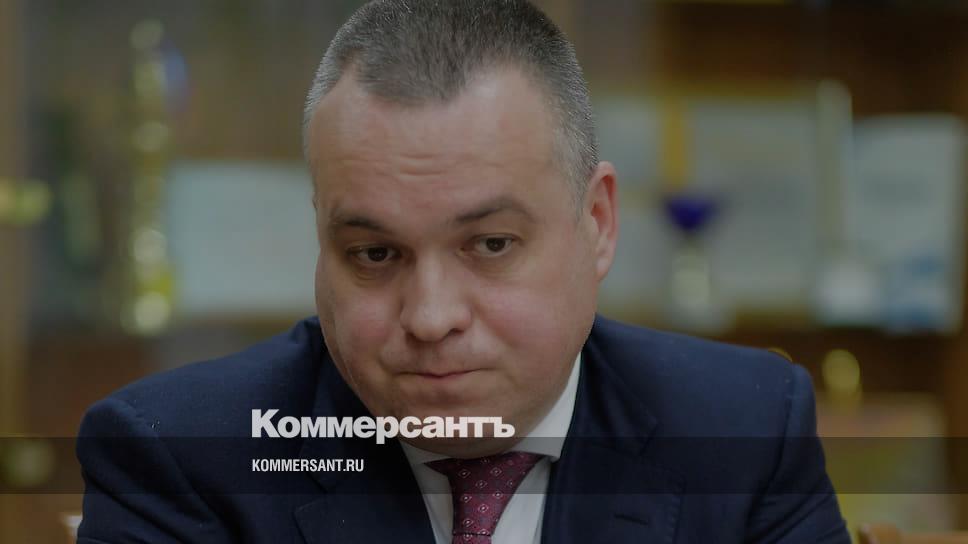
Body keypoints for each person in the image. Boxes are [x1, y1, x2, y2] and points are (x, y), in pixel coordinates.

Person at [76, 1, 851, 542]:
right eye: (375, 254)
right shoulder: (181, 457)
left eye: (490, 245)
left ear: (598, 223)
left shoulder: (743, 429)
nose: (430, 316)